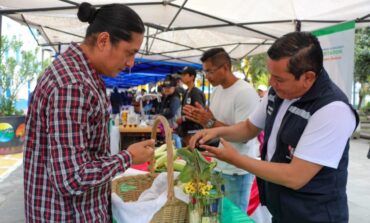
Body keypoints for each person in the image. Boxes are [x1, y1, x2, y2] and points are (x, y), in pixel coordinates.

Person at [189, 32, 359, 223]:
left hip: (314, 215)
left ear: (308, 77)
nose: (271, 83)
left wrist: (236, 159)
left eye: (279, 79)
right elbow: (249, 127)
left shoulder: (333, 110)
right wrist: (216, 130)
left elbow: (295, 176)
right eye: (271, 75)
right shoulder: (278, 93)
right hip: (282, 210)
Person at [23, 3, 155, 222]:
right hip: (66, 215)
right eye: (129, 53)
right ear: (103, 41)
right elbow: (71, 178)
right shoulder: (72, 85)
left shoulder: (82, 75)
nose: (131, 63)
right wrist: (128, 157)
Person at [183, 48, 260, 211]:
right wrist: (202, 118)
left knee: (233, 216)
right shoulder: (217, 90)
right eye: (205, 72)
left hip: (236, 170)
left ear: (225, 67)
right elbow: (214, 122)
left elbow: (244, 135)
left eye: (210, 71)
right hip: (218, 165)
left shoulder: (245, 93)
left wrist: (209, 122)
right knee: (218, 214)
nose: (207, 77)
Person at [176, 66, 206, 146]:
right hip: (186, 131)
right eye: (181, 75)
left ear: (192, 77)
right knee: (185, 156)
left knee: (192, 156)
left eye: (184, 75)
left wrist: (182, 119)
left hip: (194, 132)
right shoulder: (186, 92)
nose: (182, 77)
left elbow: (199, 113)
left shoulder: (196, 93)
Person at [158, 78, 182, 148]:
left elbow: (171, 113)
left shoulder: (175, 99)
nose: (166, 89)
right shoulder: (167, 97)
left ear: (174, 87)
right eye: (165, 87)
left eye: (169, 87)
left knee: (176, 153)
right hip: (169, 130)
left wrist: (160, 115)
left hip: (174, 131)